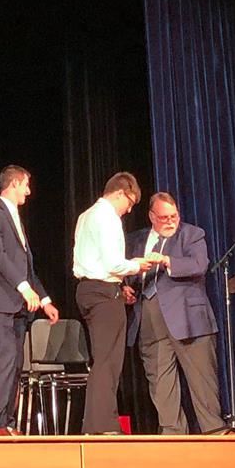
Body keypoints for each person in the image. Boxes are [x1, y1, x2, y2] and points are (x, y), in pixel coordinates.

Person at [122, 192, 224, 434]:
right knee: (160, 381)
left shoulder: (192, 234)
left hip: (187, 319)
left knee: (201, 379)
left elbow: (199, 265)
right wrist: (124, 287)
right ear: (151, 216)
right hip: (148, 318)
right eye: (163, 217)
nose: (170, 221)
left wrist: (167, 260)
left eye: (174, 216)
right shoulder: (135, 240)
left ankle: (214, 430)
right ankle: (173, 434)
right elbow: (125, 272)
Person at [0, 166, 59, 436]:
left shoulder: (16, 219)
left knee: (16, 364)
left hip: (19, 304)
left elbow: (26, 266)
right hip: (0, 301)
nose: (29, 191)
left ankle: (7, 421)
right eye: (26, 185)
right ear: (14, 183)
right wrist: (24, 289)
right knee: (6, 358)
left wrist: (44, 299)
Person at [72, 172, 156, 435]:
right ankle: (103, 426)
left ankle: (95, 423)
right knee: (108, 361)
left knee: (103, 358)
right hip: (102, 292)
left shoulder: (86, 215)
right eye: (129, 203)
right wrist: (139, 264)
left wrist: (119, 287)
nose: (129, 210)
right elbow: (112, 263)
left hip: (90, 290)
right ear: (119, 193)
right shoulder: (107, 217)